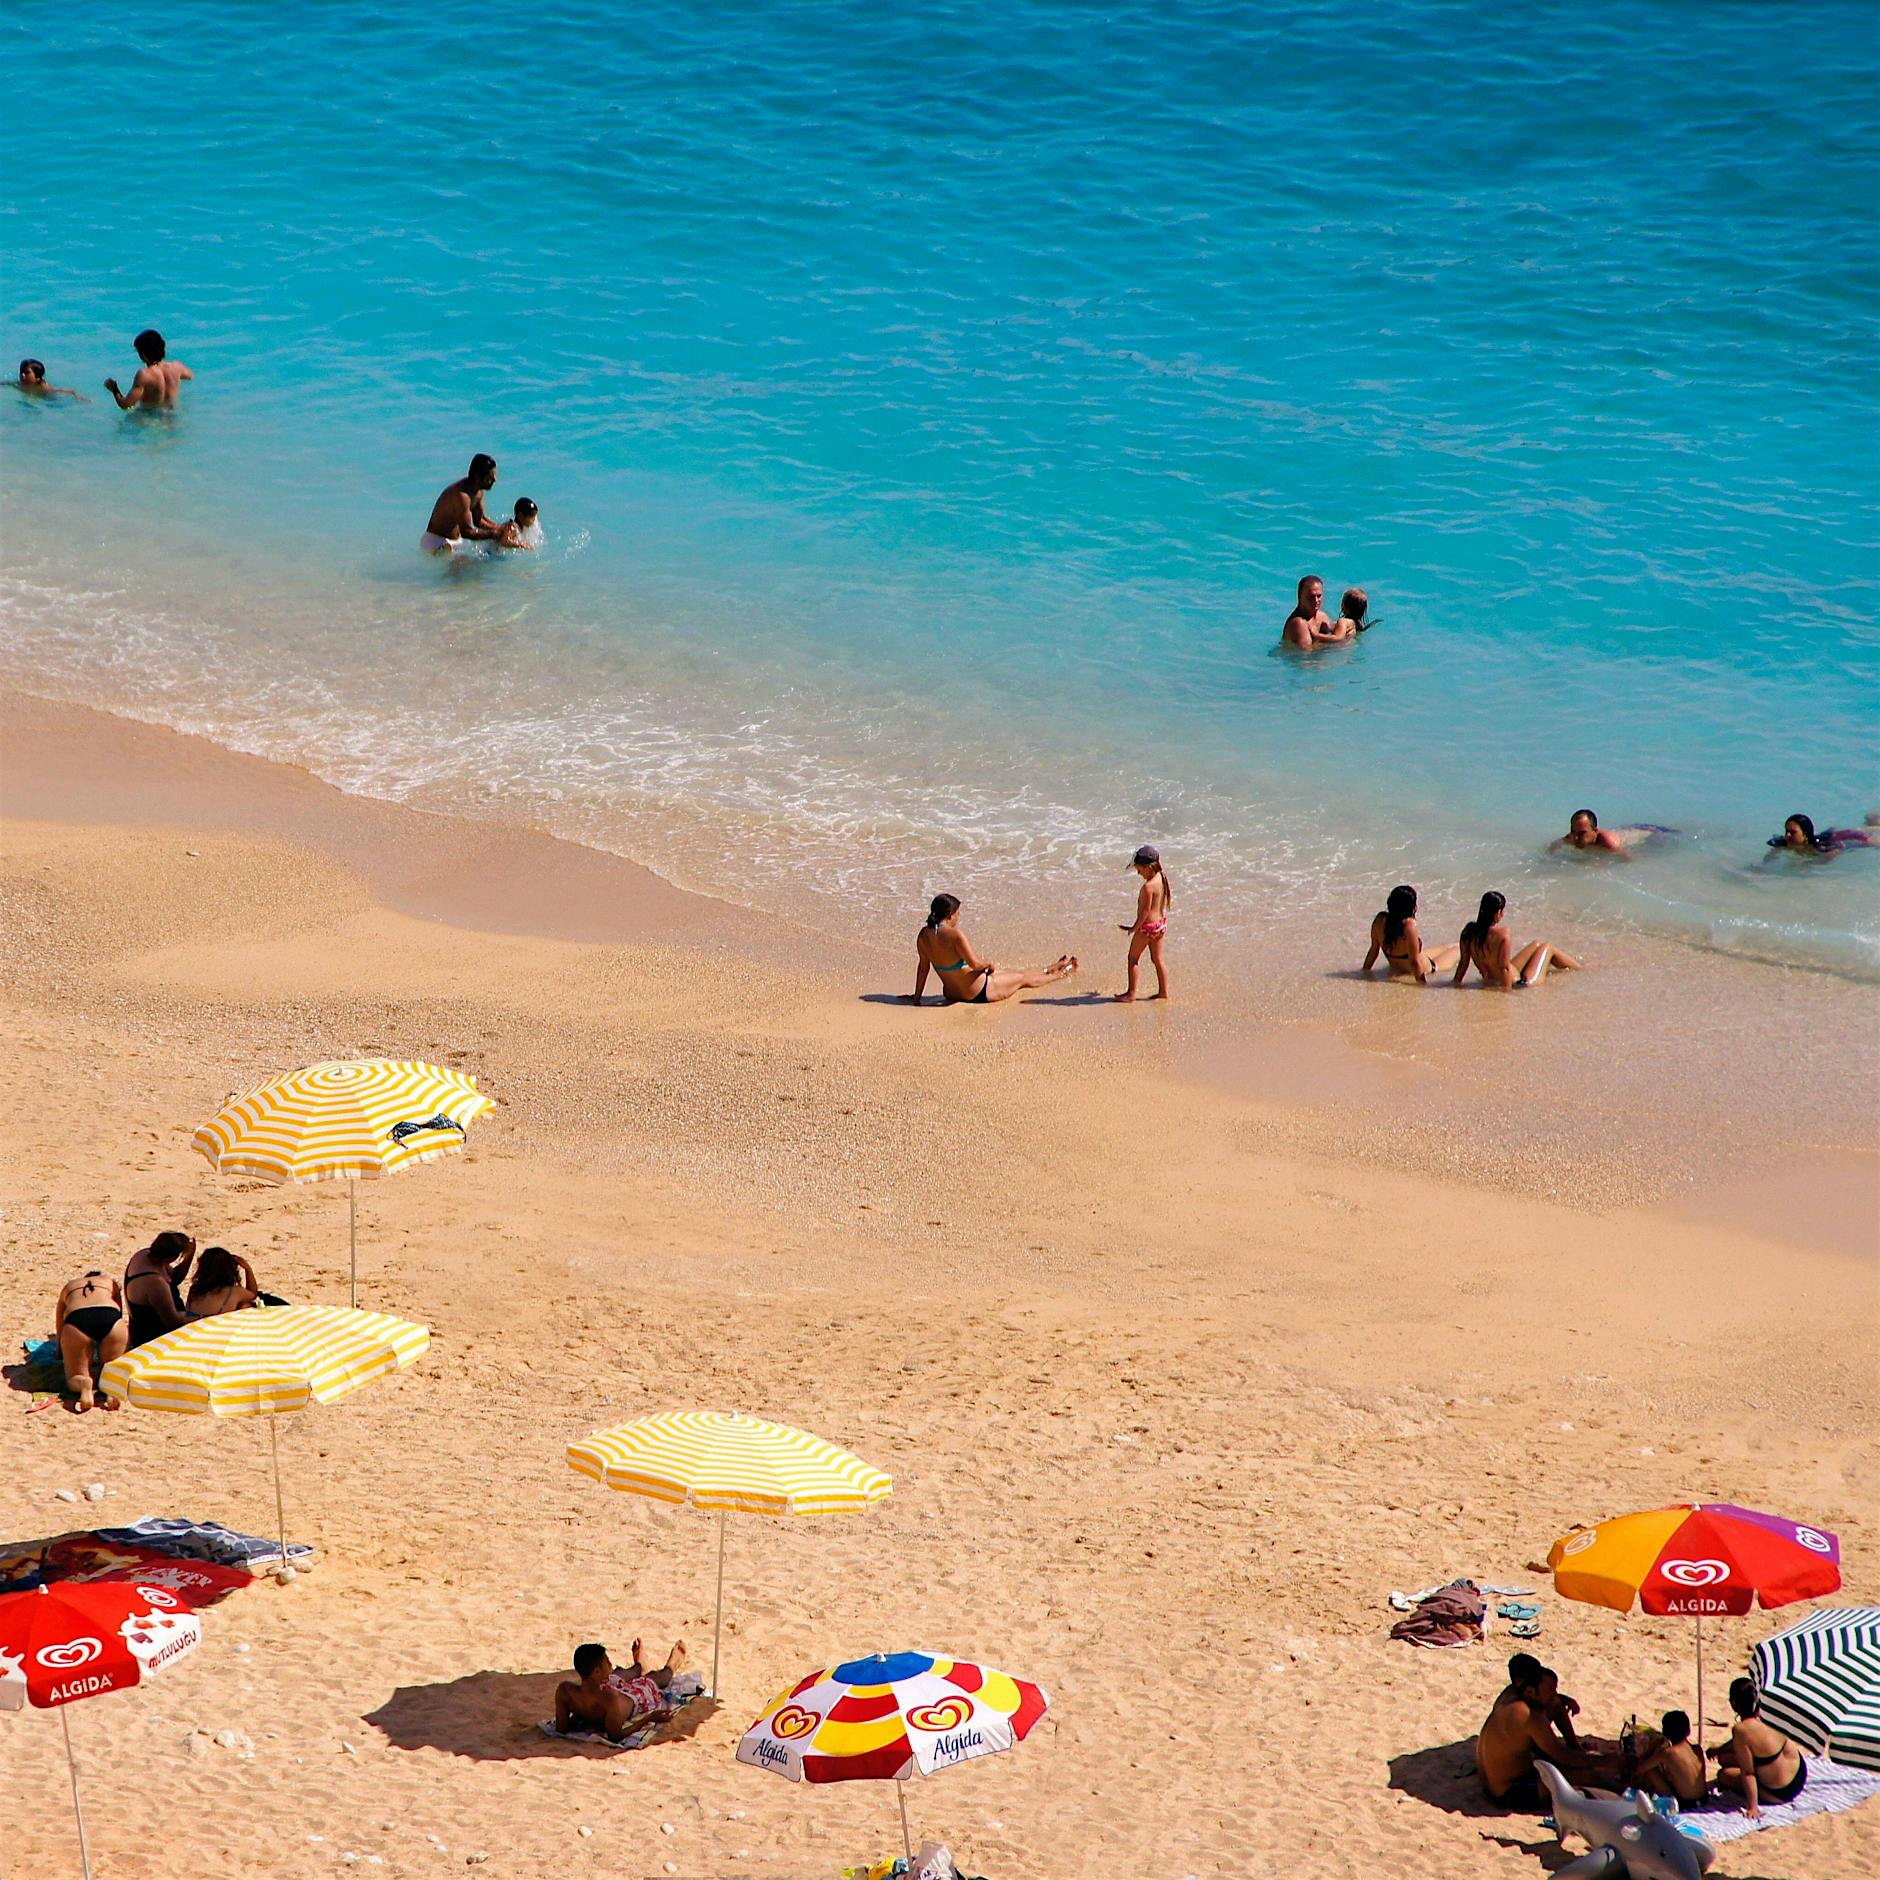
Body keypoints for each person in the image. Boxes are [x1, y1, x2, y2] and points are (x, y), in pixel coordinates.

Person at [1475, 1656, 1615, 1806]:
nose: (1555, 1695)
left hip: (1490, 1781)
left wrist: (1563, 1700)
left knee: (1555, 1704)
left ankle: (1576, 1747)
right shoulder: (1529, 1716)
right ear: (1529, 1689)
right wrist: (1607, 1761)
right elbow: (1564, 1757)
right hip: (1508, 1791)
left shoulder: (1510, 1696)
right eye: (1551, 1690)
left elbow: (1551, 1701)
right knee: (1587, 1776)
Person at [904, 894, 1076, 1005]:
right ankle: (1061, 973)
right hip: (978, 992)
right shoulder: (955, 935)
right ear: (950, 915)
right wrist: (988, 964)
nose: (958, 917)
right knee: (1021, 978)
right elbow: (975, 964)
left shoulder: (923, 936)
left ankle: (1050, 968)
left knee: (1012, 972)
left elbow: (923, 968)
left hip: (952, 992)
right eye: (958, 914)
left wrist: (917, 999)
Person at [556, 1638, 688, 1741]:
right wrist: (648, 1718)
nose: (611, 1664)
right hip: (634, 1698)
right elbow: (616, 1736)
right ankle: (672, 1665)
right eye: (607, 1662)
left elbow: (562, 1728)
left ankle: (639, 1666)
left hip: (599, 1687)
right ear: (596, 1671)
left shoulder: (565, 1691)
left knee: (618, 1674)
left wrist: (581, 1714)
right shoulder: (609, 1699)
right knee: (653, 1679)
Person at [1712, 1676, 1805, 1817]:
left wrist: (1752, 1807)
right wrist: (1719, 1750)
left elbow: (1748, 1773)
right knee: (1723, 1758)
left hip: (1779, 1792)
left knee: (1724, 1775)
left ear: (1733, 1703)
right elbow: (1744, 1742)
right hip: (1799, 1774)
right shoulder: (1770, 1714)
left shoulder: (1741, 1730)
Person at [1454, 891, 1585, 989]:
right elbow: (1504, 969)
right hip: (1519, 983)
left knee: (1537, 944)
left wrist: (1456, 984)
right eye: (1502, 911)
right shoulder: (1503, 934)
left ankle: (1575, 967)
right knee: (1547, 947)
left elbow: (1463, 964)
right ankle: (1581, 969)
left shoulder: (1469, 932)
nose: (1503, 915)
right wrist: (1507, 993)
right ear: (1498, 912)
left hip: (1498, 977)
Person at [55, 1272, 128, 1412]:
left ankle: (84, 1384)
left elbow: (60, 1322)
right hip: (110, 1316)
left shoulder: (69, 1286)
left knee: (75, 1376)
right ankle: (111, 1390)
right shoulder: (110, 1282)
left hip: (77, 1318)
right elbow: (120, 1310)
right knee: (111, 1370)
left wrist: (59, 1348)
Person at [1362, 884, 1458, 984]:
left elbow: (1373, 950)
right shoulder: (1409, 925)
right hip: (1429, 966)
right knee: (1457, 949)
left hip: (1406, 963)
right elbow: (1414, 962)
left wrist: (1364, 972)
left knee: (1448, 947)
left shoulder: (1379, 920)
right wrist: (1422, 985)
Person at [1115, 844, 1172, 1002]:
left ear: (1147, 867)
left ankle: (1131, 994)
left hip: (1146, 928)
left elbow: (1145, 912)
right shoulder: (1161, 878)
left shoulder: (1147, 887)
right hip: (1159, 925)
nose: (1138, 872)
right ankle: (1163, 992)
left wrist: (1134, 928)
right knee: (1158, 960)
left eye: (1139, 869)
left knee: (1133, 959)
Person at [421, 454, 505, 555]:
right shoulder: (461, 496)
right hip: (435, 542)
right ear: (477, 477)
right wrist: (493, 534)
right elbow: (466, 532)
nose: (495, 480)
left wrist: (501, 529)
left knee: (493, 547)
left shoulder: (478, 491)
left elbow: (479, 520)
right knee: (471, 561)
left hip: (455, 542)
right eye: (490, 477)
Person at [123, 1230, 195, 1346]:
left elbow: (175, 1278)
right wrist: (196, 1315)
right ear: (171, 1258)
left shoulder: (144, 1255)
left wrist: (188, 1257)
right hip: (154, 1339)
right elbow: (173, 1321)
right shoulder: (154, 1282)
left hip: (143, 1330)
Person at [1632, 1709, 1707, 1807]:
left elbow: (1640, 1769)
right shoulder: (1697, 1749)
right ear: (1688, 1731)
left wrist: (1649, 1751)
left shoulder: (1668, 1753)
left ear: (1665, 1732)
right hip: (1703, 1798)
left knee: (1650, 1772)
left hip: (1685, 1803)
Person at [105, 329, 192, 409]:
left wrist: (114, 389)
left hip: (149, 418)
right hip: (172, 416)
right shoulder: (176, 366)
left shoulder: (144, 375)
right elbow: (190, 376)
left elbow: (126, 404)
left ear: (142, 354)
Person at [185, 1246, 261, 1318]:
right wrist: (248, 1269)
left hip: (193, 1325)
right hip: (215, 1326)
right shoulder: (233, 1291)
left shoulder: (194, 1289)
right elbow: (253, 1294)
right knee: (246, 1305)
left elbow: (188, 1312)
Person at [1766, 812, 1876, 858]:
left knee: (1870, 842)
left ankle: (1874, 823)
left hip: (1837, 837)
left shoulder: (1820, 846)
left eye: (1793, 832)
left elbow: (1835, 851)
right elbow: (1771, 856)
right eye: (1786, 831)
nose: (1787, 835)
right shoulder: (1783, 843)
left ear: (1805, 834)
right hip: (1826, 835)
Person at [1280, 574, 1341, 650]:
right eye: (1311, 597)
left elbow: (1333, 633)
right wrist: (1339, 642)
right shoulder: (1299, 623)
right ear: (1300, 596)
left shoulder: (1322, 616)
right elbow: (1307, 653)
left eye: (1319, 596)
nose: (1316, 600)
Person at [1551, 809, 1631, 858]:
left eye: (1582, 833)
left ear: (1595, 831)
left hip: (1633, 834)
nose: (1576, 837)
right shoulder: (1571, 837)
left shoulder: (1608, 842)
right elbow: (1554, 846)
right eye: (1573, 831)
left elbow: (1629, 860)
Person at [15, 359, 87, 401]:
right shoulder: (20, 384)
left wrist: (76, 395)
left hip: (52, 401)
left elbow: (65, 391)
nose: (22, 375)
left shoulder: (44, 387)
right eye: (21, 372)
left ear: (38, 377)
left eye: (27, 373)